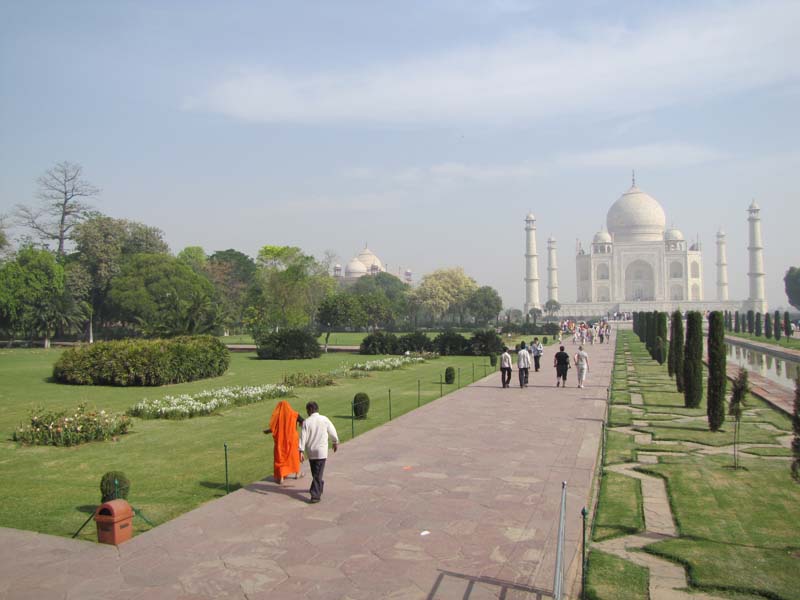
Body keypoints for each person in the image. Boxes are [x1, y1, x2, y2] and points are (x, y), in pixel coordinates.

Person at [299, 401, 339, 503]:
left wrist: (301, 451)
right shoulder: (324, 419)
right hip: (321, 452)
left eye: (307, 410)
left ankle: (315, 495)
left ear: (310, 410)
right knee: (316, 474)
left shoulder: (306, 422)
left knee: (316, 473)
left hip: (311, 452)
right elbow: (332, 431)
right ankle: (319, 486)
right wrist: (335, 442)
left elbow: (302, 438)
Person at [263, 400, 304, 484]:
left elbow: (273, 428)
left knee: (281, 457)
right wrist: (300, 424)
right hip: (292, 440)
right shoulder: (294, 414)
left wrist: (267, 431)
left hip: (280, 441)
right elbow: (303, 421)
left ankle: (281, 477)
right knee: (294, 456)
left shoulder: (277, 417)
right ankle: (297, 473)